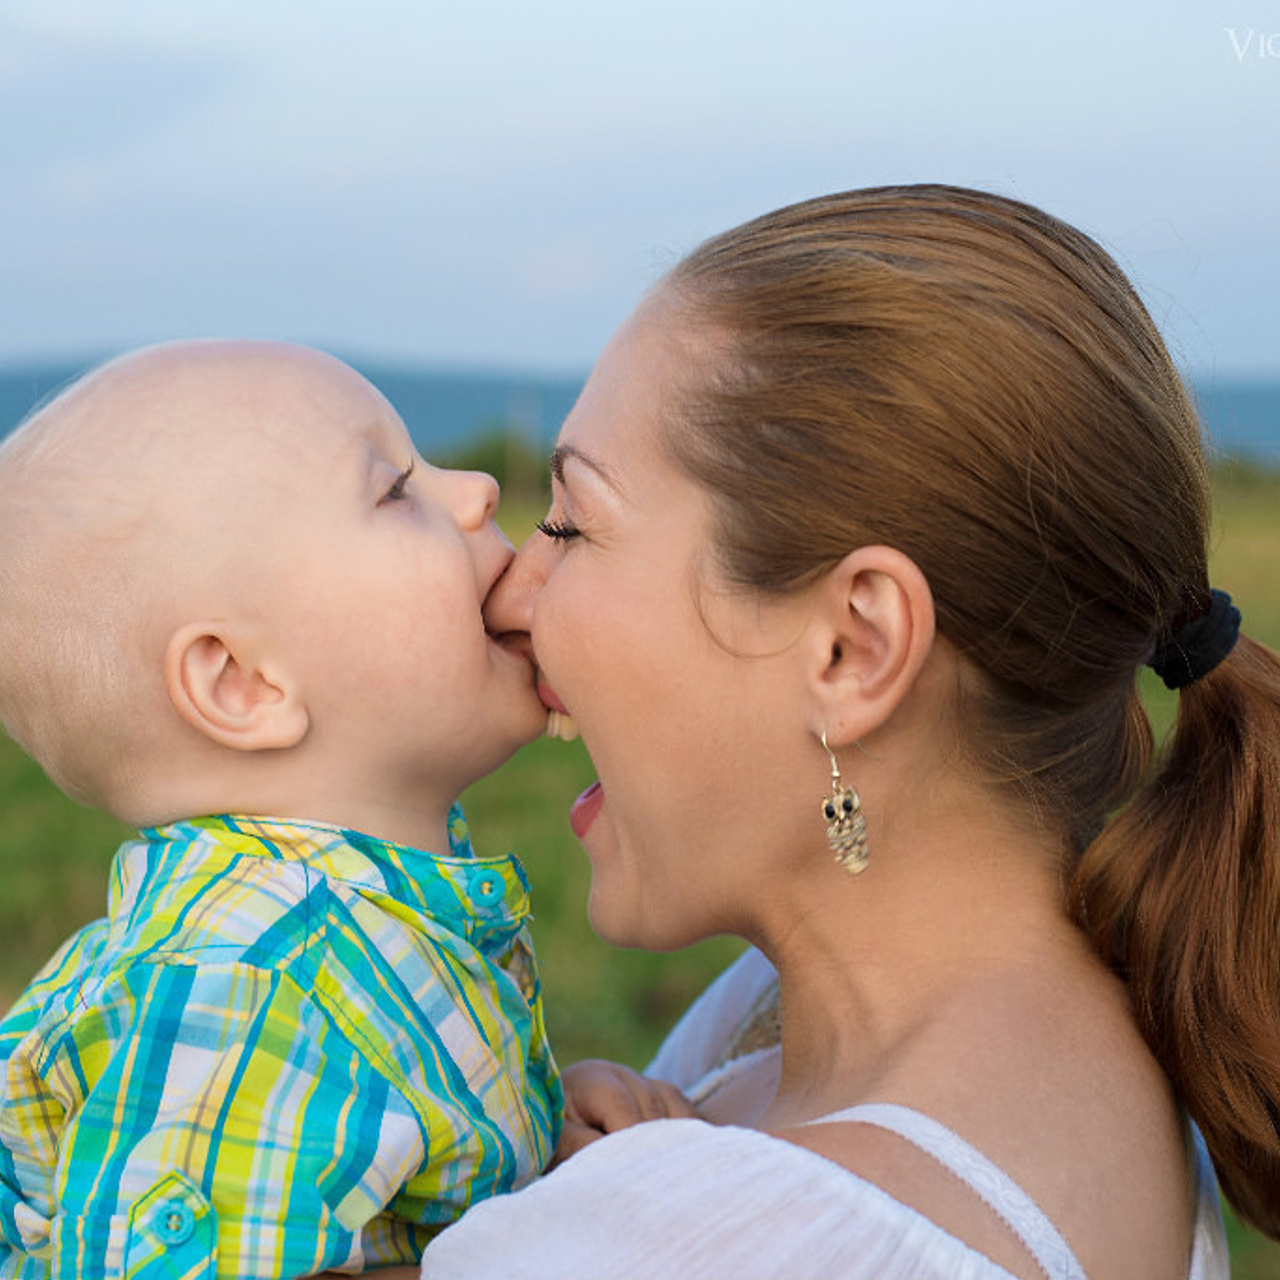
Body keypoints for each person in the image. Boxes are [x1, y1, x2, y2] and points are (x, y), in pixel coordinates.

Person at [414, 185, 1280, 1279]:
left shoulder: (729, 1242)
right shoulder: (817, 1016)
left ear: (853, 649)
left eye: (573, 523)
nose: (509, 594)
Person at [0, 341, 690, 1280]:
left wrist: (535, 1140)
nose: (480, 488)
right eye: (395, 489)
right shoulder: (252, 995)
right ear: (243, 682)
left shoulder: (350, 934)